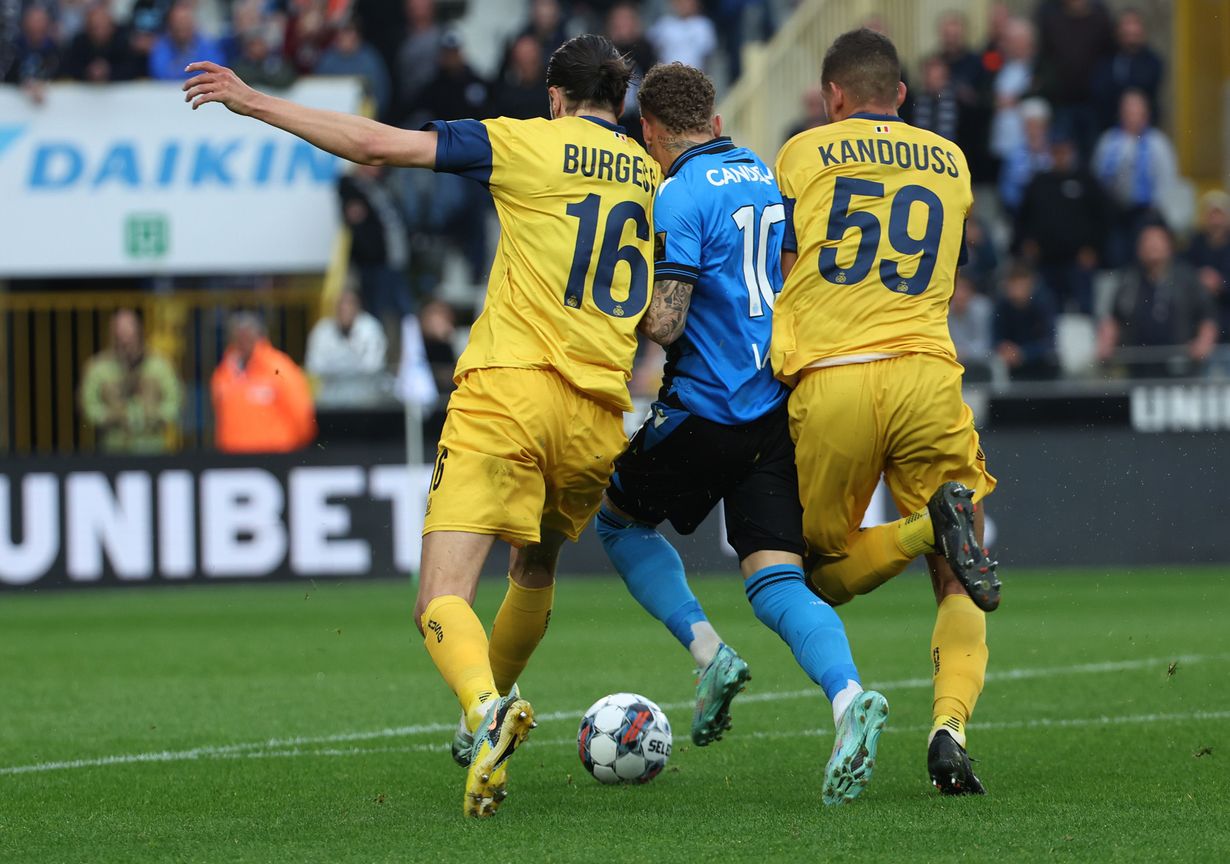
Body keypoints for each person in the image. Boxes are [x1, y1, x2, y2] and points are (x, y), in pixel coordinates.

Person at [183, 33, 659, 818]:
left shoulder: (524, 140)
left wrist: (253, 99)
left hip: (510, 392)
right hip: (600, 411)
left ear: (555, 97)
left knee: (439, 597)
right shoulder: (651, 174)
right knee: (534, 571)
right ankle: (486, 720)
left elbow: (375, 143)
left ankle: (486, 710)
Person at [590, 62, 887, 806]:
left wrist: (605, 306)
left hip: (704, 408)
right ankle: (849, 698)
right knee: (776, 579)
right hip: (769, 412)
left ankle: (709, 652)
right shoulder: (756, 169)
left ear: (650, 132)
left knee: (619, 523)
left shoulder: (677, 193)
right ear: (714, 123)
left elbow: (668, 319)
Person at [773, 28, 1001, 796]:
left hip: (834, 378)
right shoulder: (953, 162)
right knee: (957, 579)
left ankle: (915, 524)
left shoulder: (802, 152)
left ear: (833, 96)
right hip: (928, 376)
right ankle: (950, 726)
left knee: (808, 578)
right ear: (900, 95)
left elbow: (782, 258)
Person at [1097, 225, 1218, 377]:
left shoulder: (1187, 278)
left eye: (1157, 240)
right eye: (1146, 241)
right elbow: (1114, 318)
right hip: (1138, 367)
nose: (1152, 245)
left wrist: (1204, 341)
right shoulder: (1129, 280)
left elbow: (1207, 317)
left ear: (1169, 246)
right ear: (1138, 249)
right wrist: (1106, 342)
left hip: (1182, 366)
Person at [1092, 89, 1178, 268]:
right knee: (1115, 257)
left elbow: (1167, 180)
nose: (1131, 117)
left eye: (1136, 112)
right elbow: (1097, 176)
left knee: (1142, 257)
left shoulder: (1157, 142)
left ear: (1145, 114)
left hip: (1145, 212)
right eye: (1127, 112)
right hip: (1115, 212)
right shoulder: (1108, 141)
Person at [80, 309, 182, 454]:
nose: (125, 340)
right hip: (114, 448)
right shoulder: (98, 368)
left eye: (129, 334)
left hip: (153, 447)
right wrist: (111, 416)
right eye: (120, 334)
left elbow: (175, 401)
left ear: (139, 333)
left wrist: (154, 417)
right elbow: (89, 407)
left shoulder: (160, 366)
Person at [211, 313, 316, 453]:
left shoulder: (279, 368)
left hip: (274, 457)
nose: (243, 341)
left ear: (259, 336)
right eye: (239, 337)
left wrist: (291, 451)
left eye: (247, 335)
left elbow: (302, 417)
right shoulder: (223, 372)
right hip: (233, 460)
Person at [305, 287, 388, 406]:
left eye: (349, 303)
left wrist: (336, 363)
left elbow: (373, 366)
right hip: (331, 403)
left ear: (358, 306)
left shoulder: (371, 328)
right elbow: (314, 366)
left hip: (365, 403)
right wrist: (352, 361)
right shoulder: (322, 330)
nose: (344, 308)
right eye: (341, 303)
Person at [1091, 7, 1163, 132]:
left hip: (1145, 131)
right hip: (1110, 128)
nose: (1130, 29)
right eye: (1126, 24)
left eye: (1134, 24)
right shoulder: (1106, 61)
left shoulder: (1153, 62)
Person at [316, 17, 391, 120]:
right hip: (332, 119)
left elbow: (381, 95)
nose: (343, 36)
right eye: (341, 31)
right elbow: (318, 90)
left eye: (348, 31)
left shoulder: (370, 60)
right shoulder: (327, 60)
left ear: (357, 34)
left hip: (361, 120)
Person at [993, 263, 1059, 380]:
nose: (1017, 291)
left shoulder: (1043, 304)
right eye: (1014, 285)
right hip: (1010, 365)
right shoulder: (1002, 306)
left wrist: (1023, 353)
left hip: (1040, 366)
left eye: (1021, 286)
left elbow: (1049, 342)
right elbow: (996, 338)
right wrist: (1004, 348)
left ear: (1031, 285)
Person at [1187, 191, 1230, 344]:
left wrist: (1221, 284)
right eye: (1211, 214)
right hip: (1199, 319)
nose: (1215, 220)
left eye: (1219, 214)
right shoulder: (1194, 244)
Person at [63, 4, 139, 83]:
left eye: (103, 26)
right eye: (95, 27)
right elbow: (68, 67)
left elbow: (131, 68)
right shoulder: (79, 43)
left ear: (112, 26)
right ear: (87, 27)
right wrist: (88, 71)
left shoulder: (122, 41)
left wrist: (108, 71)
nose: (99, 31)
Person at [148, 2, 224, 80]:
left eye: (185, 22)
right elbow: (160, 73)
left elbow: (212, 71)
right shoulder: (161, 46)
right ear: (170, 24)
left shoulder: (208, 46)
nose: (182, 27)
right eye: (178, 23)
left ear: (193, 23)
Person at [648, 0, 716, 71]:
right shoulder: (664, 24)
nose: (683, 5)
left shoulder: (704, 25)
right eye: (680, 2)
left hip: (695, 75)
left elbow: (707, 55)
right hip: (667, 75)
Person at [949, 273, 994, 380]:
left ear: (971, 291)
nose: (959, 294)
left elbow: (985, 345)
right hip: (950, 360)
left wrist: (965, 353)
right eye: (956, 289)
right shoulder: (942, 309)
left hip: (978, 363)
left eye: (963, 289)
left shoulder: (982, 308)